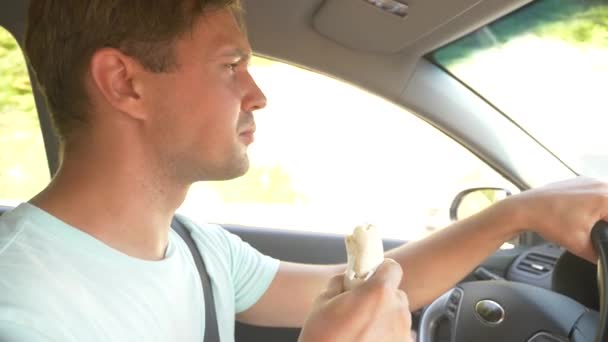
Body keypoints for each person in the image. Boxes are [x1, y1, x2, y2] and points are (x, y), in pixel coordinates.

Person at [0, 0, 606, 341]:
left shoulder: (195, 248)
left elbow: (367, 286)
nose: (257, 93)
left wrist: (519, 212)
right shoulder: (23, 305)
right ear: (125, 83)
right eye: (231, 64)